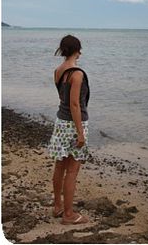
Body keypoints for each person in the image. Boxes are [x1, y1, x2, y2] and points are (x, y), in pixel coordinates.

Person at [49, 34, 91, 225]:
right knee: (72, 171)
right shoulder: (77, 73)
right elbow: (74, 104)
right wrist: (80, 133)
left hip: (60, 122)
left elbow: (63, 100)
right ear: (78, 50)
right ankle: (69, 215)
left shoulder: (58, 70)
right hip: (74, 125)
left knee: (60, 166)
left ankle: (57, 207)